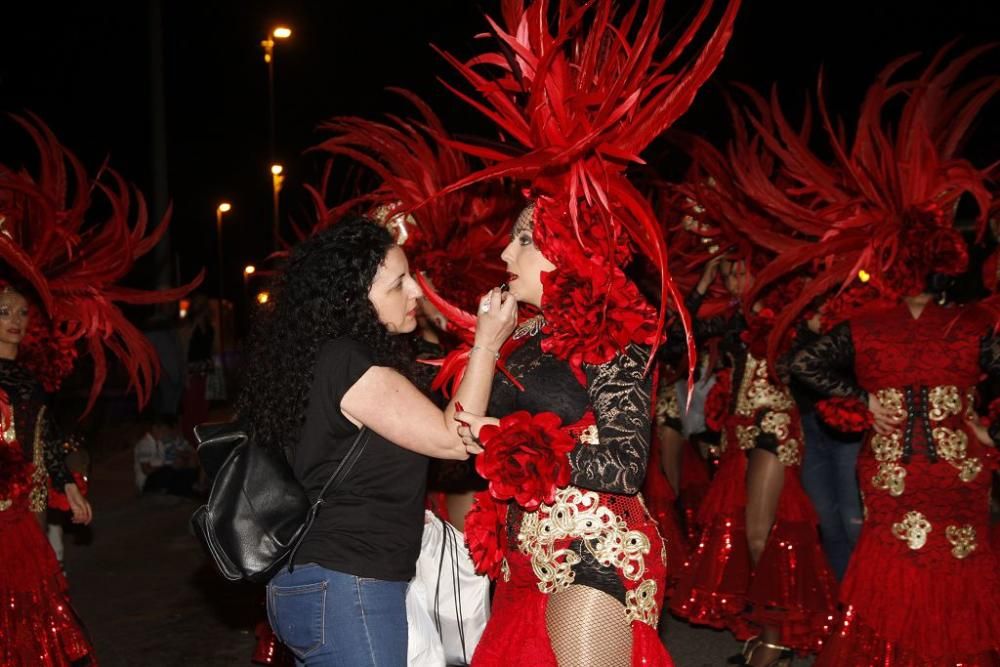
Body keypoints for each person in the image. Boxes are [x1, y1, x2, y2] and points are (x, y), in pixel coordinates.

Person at [237, 217, 516, 667]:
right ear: (353, 297)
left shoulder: (329, 356)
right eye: (398, 284)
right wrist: (486, 342)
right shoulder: (347, 362)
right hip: (349, 586)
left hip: (328, 583)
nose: (417, 293)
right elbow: (453, 438)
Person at [668, 254, 836, 666]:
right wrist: (703, 284)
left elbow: (816, 359)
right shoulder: (731, 318)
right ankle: (768, 632)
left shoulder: (787, 317)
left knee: (762, 535)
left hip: (773, 427)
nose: (735, 278)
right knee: (749, 535)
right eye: (728, 272)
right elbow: (679, 338)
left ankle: (775, 641)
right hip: (736, 431)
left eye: (741, 269)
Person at [0, 285, 95, 666]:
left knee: (34, 618)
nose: (16, 322)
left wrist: (68, 485)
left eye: (23, 314)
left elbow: (48, 439)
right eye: (4, 312)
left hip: (24, 513)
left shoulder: (27, 379)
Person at [134, 413, 198, 496]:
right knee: (170, 472)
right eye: (164, 431)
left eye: (166, 431)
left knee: (186, 473)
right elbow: (146, 470)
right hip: (147, 482)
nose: (166, 434)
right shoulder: (145, 444)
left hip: (160, 476)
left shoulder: (159, 443)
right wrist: (169, 466)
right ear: (155, 428)